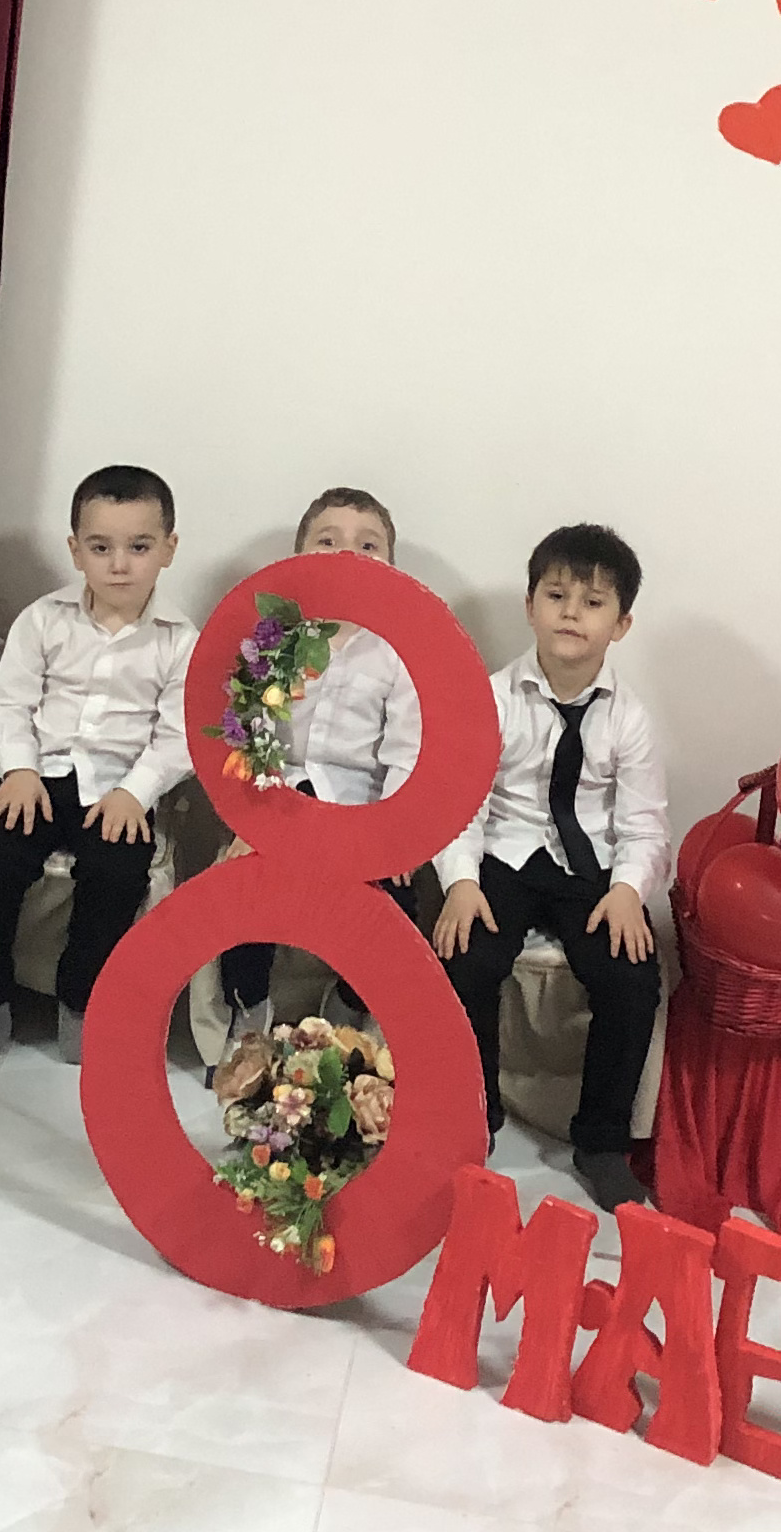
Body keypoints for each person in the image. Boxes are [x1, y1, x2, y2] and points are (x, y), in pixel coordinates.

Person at [430, 522, 667, 1214]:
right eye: (556, 596)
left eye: (593, 603)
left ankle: (602, 1141)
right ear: (530, 606)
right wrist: (461, 882)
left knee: (631, 978)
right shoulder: (492, 699)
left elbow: (645, 823)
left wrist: (628, 891)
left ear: (620, 625)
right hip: (504, 855)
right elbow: (462, 805)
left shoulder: (630, 719)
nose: (571, 613)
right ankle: (471, 1115)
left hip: (588, 866)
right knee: (465, 958)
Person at [0, 464, 193, 1052]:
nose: (119, 564)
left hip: (118, 788)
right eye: (101, 547)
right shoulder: (43, 619)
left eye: (139, 547)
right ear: (75, 550)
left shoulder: (181, 640)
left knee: (116, 874)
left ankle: (81, 1002)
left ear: (168, 549)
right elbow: (6, 703)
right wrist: (18, 769)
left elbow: (179, 735)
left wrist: (136, 793)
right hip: (39, 776)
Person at [216, 484, 425, 1027]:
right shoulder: (272, 638)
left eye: (368, 545)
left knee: (396, 908)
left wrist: (396, 835)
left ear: (391, 567)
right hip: (280, 796)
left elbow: (406, 750)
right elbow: (246, 728)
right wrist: (250, 821)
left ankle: (349, 1010)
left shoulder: (399, 651)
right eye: (327, 541)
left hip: (361, 807)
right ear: (298, 555)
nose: (346, 554)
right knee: (244, 885)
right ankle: (248, 1012)